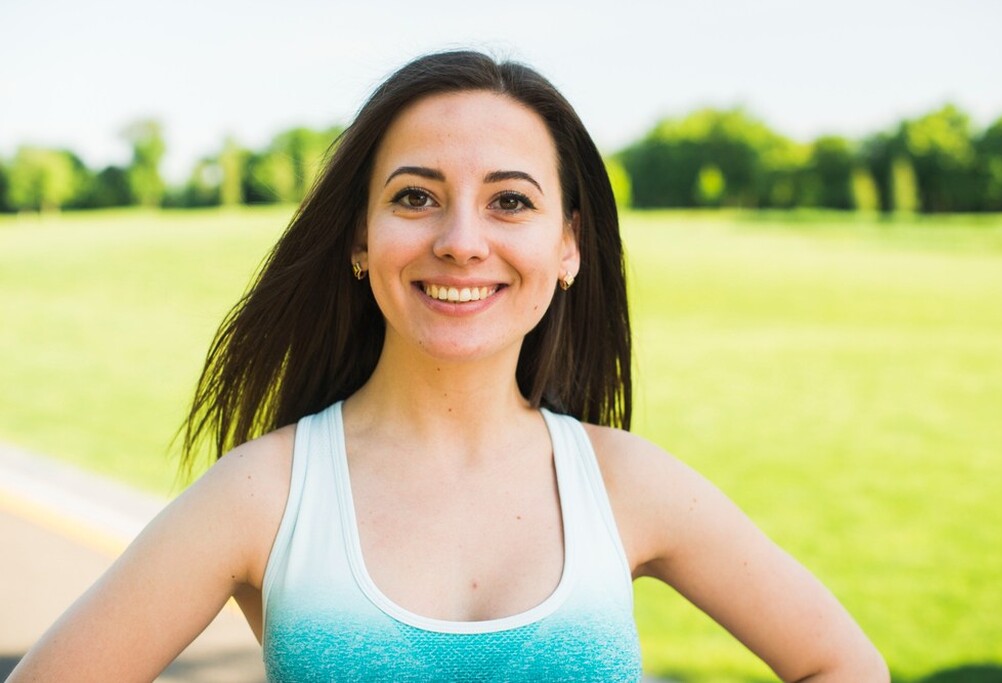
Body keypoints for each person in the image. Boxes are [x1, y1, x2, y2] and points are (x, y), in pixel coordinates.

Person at [10, 51, 887, 682]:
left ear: (569, 244)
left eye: (510, 201)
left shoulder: (625, 483)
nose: (461, 240)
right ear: (361, 238)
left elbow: (841, 662)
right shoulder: (265, 495)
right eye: (415, 197)